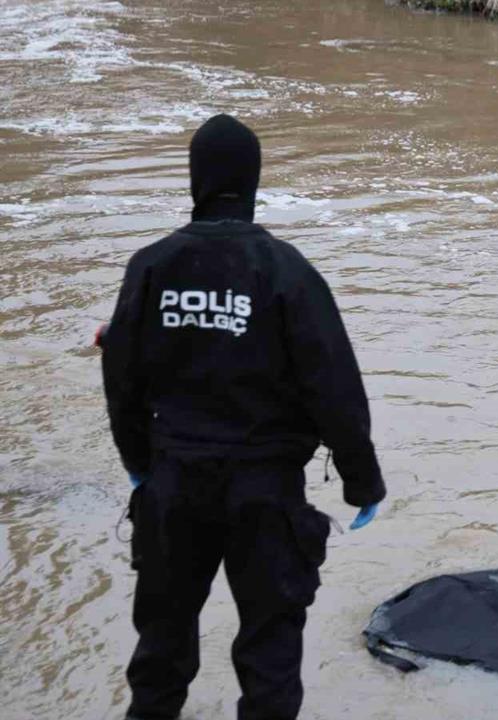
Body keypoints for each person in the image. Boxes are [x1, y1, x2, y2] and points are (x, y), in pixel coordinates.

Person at [101, 114, 386, 720]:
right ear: (252, 183)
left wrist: (139, 466)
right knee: (270, 657)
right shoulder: (290, 273)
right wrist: (363, 482)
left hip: (174, 487)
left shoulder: (150, 266)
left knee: (160, 653)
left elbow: (120, 376)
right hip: (266, 493)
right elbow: (334, 386)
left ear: (195, 181)